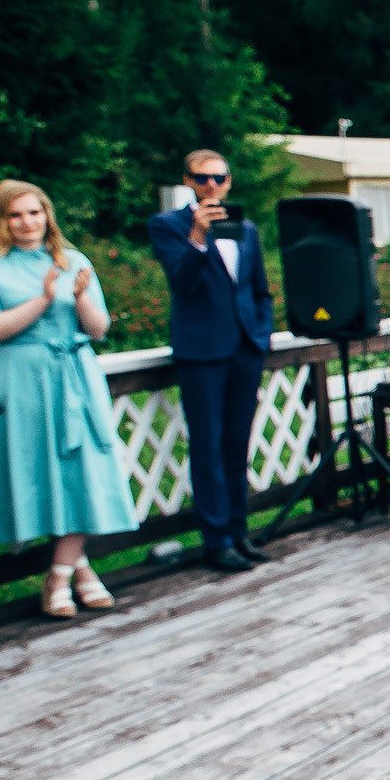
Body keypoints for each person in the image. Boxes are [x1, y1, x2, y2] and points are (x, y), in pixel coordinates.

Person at [0, 180, 137, 618]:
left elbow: (99, 329)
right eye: (16, 215)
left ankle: (60, 574)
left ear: (48, 215)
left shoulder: (74, 259)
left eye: (35, 212)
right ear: (0, 219)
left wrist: (80, 295)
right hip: (20, 376)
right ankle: (80, 571)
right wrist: (45, 298)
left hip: (75, 376)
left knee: (85, 472)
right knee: (38, 473)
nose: (27, 222)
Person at [148, 149, 275, 573]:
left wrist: (261, 331)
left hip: (244, 347)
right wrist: (198, 238)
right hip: (201, 350)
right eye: (203, 179)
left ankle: (239, 532)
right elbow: (182, 283)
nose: (212, 186)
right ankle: (216, 539)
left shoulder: (248, 229)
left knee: (238, 444)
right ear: (188, 180)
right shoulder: (168, 225)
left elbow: (258, 288)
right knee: (208, 446)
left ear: (230, 181)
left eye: (219, 178)